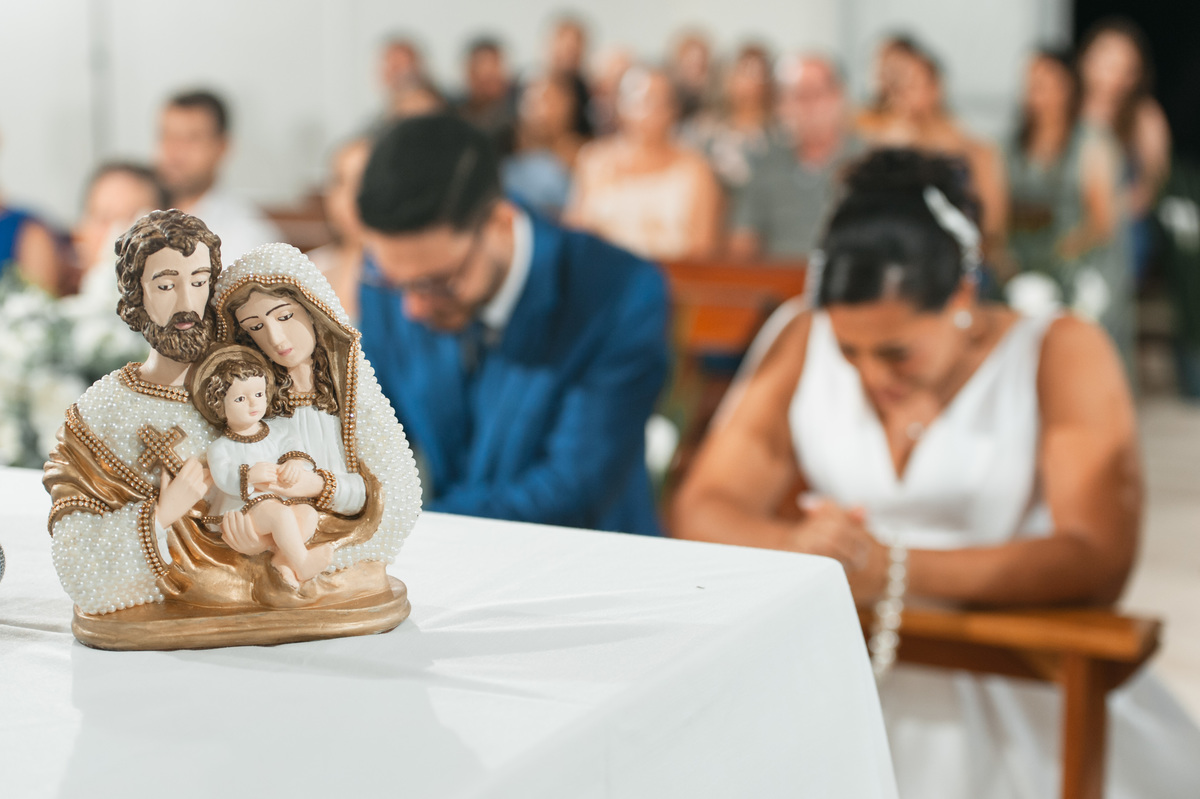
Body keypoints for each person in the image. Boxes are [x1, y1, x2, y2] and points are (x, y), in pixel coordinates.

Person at [672, 149, 1200, 797]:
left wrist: (890, 569)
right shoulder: (800, 336)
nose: (870, 375)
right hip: (845, 678)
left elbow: (1097, 557)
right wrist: (799, 545)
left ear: (962, 294)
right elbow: (703, 505)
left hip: (1017, 679)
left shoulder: (1057, 350)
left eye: (897, 352)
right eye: (849, 351)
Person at [356, 114, 669, 535]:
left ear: (500, 222)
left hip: (583, 551)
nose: (411, 308)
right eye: (396, 282)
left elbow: (570, 488)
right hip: (449, 546)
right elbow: (369, 431)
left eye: (438, 283)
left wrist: (409, 528)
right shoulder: (389, 278)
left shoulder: (618, 293)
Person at [212, 242, 422, 572]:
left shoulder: (347, 400)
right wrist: (257, 541)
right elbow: (233, 486)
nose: (276, 339)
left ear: (314, 312)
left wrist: (318, 486)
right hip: (273, 527)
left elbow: (378, 494)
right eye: (256, 327)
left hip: (339, 537)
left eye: (285, 316)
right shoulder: (254, 409)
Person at [1004, 49, 1134, 378]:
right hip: (1026, 259)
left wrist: (1058, 254)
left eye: (1044, 84)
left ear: (1067, 88)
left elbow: (1101, 222)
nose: (1034, 93)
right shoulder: (1013, 144)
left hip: (1079, 262)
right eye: (1030, 84)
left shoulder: (1091, 141)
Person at [858, 46, 1010, 265]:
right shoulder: (886, 146)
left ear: (935, 88)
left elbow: (993, 228)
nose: (902, 95)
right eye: (897, 87)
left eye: (911, 85)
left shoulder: (976, 151)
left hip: (963, 260)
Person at [194, 347, 332, 586]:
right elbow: (224, 478)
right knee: (279, 515)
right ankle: (302, 563)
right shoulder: (221, 447)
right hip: (242, 509)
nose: (252, 403)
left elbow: (293, 446)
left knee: (307, 515)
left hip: (280, 502)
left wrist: (293, 463)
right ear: (220, 405)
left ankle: (282, 561)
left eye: (258, 394)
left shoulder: (278, 430)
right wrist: (249, 476)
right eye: (240, 399)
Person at [565, 66, 721, 260]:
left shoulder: (696, 169)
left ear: (673, 110)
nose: (650, 110)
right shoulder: (593, 160)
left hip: (668, 275)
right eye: (641, 99)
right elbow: (576, 232)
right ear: (620, 104)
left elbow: (702, 249)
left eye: (660, 101)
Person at [728, 55, 862, 260]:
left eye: (815, 93)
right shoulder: (767, 162)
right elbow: (743, 241)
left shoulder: (866, 163)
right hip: (777, 275)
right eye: (797, 96)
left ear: (838, 96)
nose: (807, 107)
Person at [1078, 18, 1171, 284]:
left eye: (1120, 63)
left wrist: (1109, 211)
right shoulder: (1066, 110)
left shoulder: (1145, 117)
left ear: (1134, 74)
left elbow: (1152, 186)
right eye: (1104, 56)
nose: (1108, 69)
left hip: (1121, 225)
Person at [155, 89, 281, 261]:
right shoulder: (137, 215)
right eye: (168, 136)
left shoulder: (247, 236)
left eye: (192, 138)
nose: (175, 151)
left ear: (222, 147)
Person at [681, 43, 777, 194]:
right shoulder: (704, 129)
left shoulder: (778, 134)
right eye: (742, 71)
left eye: (756, 73)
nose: (748, 81)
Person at [502, 72, 585, 218]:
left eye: (548, 101)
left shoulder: (585, 156)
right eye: (532, 102)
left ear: (568, 105)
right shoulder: (506, 159)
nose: (540, 111)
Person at [307, 138, 372, 320]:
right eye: (339, 181)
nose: (348, 199)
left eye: (363, 183)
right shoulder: (306, 269)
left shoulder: (406, 281)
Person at [453, 37, 519, 158]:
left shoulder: (519, 114)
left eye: (494, 67)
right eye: (480, 69)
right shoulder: (455, 114)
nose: (488, 74)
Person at [545, 14, 593, 138]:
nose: (569, 57)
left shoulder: (585, 91)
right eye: (566, 50)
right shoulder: (528, 84)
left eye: (574, 51)